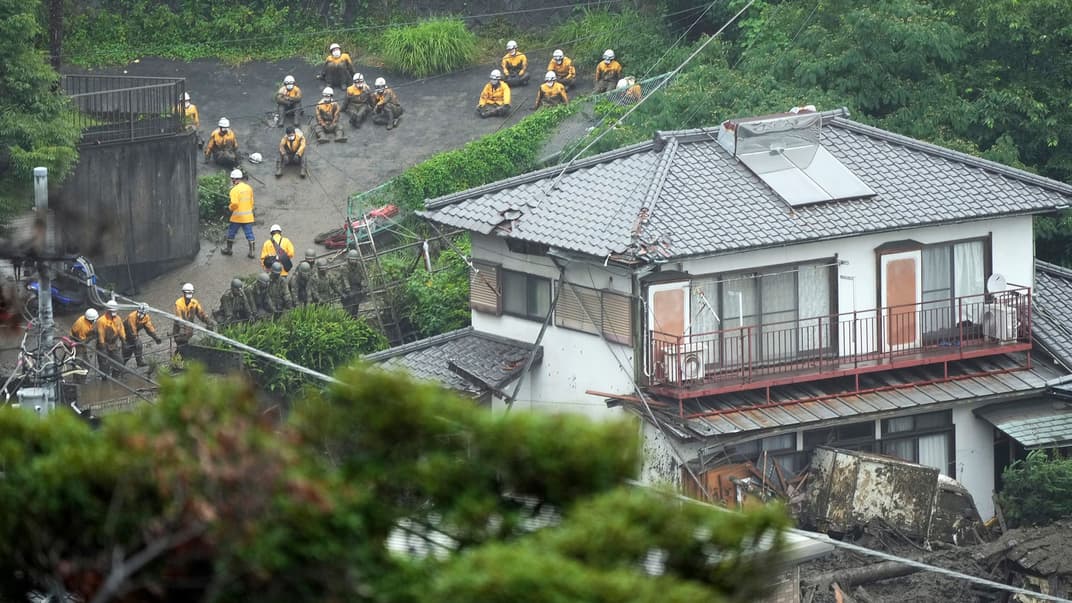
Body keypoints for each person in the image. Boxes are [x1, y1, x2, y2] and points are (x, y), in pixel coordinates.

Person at [222, 168, 256, 258]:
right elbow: (252, 202)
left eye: (232, 179)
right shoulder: (249, 188)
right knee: (249, 234)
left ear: (234, 179)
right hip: (248, 216)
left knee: (231, 233)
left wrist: (230, 207)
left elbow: (235, 204)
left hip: (237, 217)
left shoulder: (234, 190)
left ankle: (229, 249)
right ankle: (252, 252)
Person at [172, 283, 214, 354]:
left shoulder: (194, 303)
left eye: (191, 292)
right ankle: (177, 358)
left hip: (189, 332)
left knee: (190, 349)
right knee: (182, 348)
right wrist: (184, 333)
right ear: (184, 293)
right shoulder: (178, 303)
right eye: (188, 293)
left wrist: (208, 321)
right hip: (180, 333)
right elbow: (179, 319)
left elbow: (201, 314)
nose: (189, 295)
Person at [122, 303, 161, 368]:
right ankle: (121, 365)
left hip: (134, 333)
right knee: (127, 351)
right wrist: (135, 338)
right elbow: (132, 329)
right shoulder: (132, 316)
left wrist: (155, 337)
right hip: (125, 334)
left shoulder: (146, 317)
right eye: (139, 312)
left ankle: (139, 361)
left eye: (143, 313)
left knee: (138, 346)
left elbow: (149, 328)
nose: (140, 315)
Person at [96, 300, 126, 378]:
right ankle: (105, 380)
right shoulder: (101, 321)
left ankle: (115, 378)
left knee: (119, 362)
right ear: (108, 310)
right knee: (104, 365)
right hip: (103, 344)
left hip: (113, 343)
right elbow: (101, 333)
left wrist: (123, 339)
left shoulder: (118, 318)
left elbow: (121, 328)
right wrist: (102, 346)